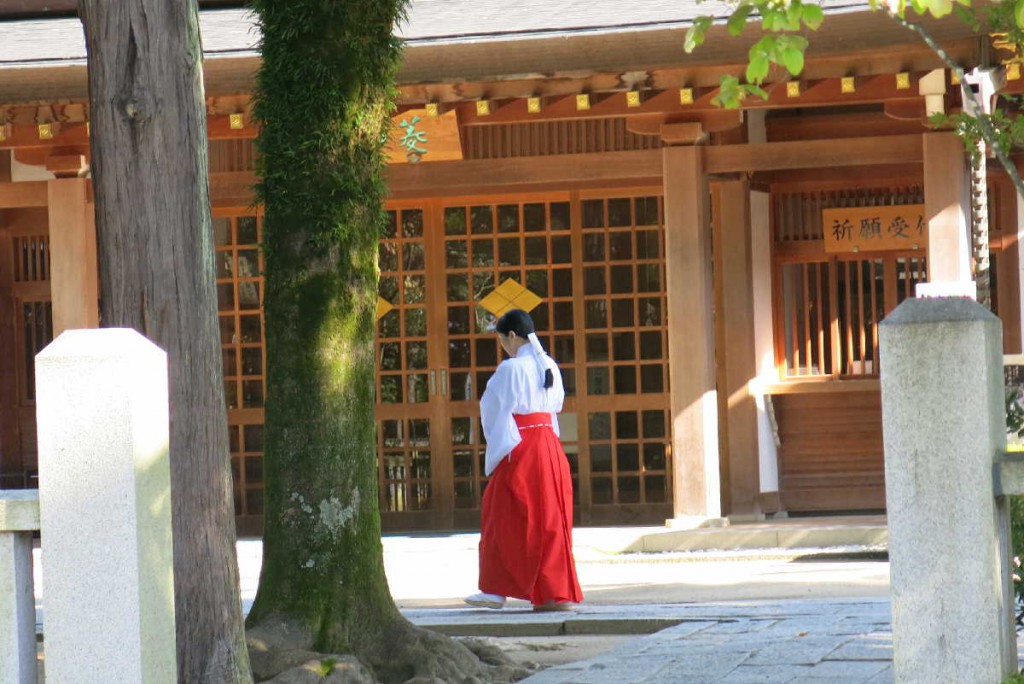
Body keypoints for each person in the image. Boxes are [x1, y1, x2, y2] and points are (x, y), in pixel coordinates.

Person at [464, 308, 584, 612]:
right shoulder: (549, 365)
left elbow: (494, 408)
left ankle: (495, 590)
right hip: (549, 445)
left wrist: (500, 444)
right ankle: (553, 593)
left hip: (521, 445)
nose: (504, 346)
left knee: (501, 515)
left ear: (512, 335)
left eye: (503, 340)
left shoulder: (511, 368)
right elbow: (555, 406)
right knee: (550, 519)